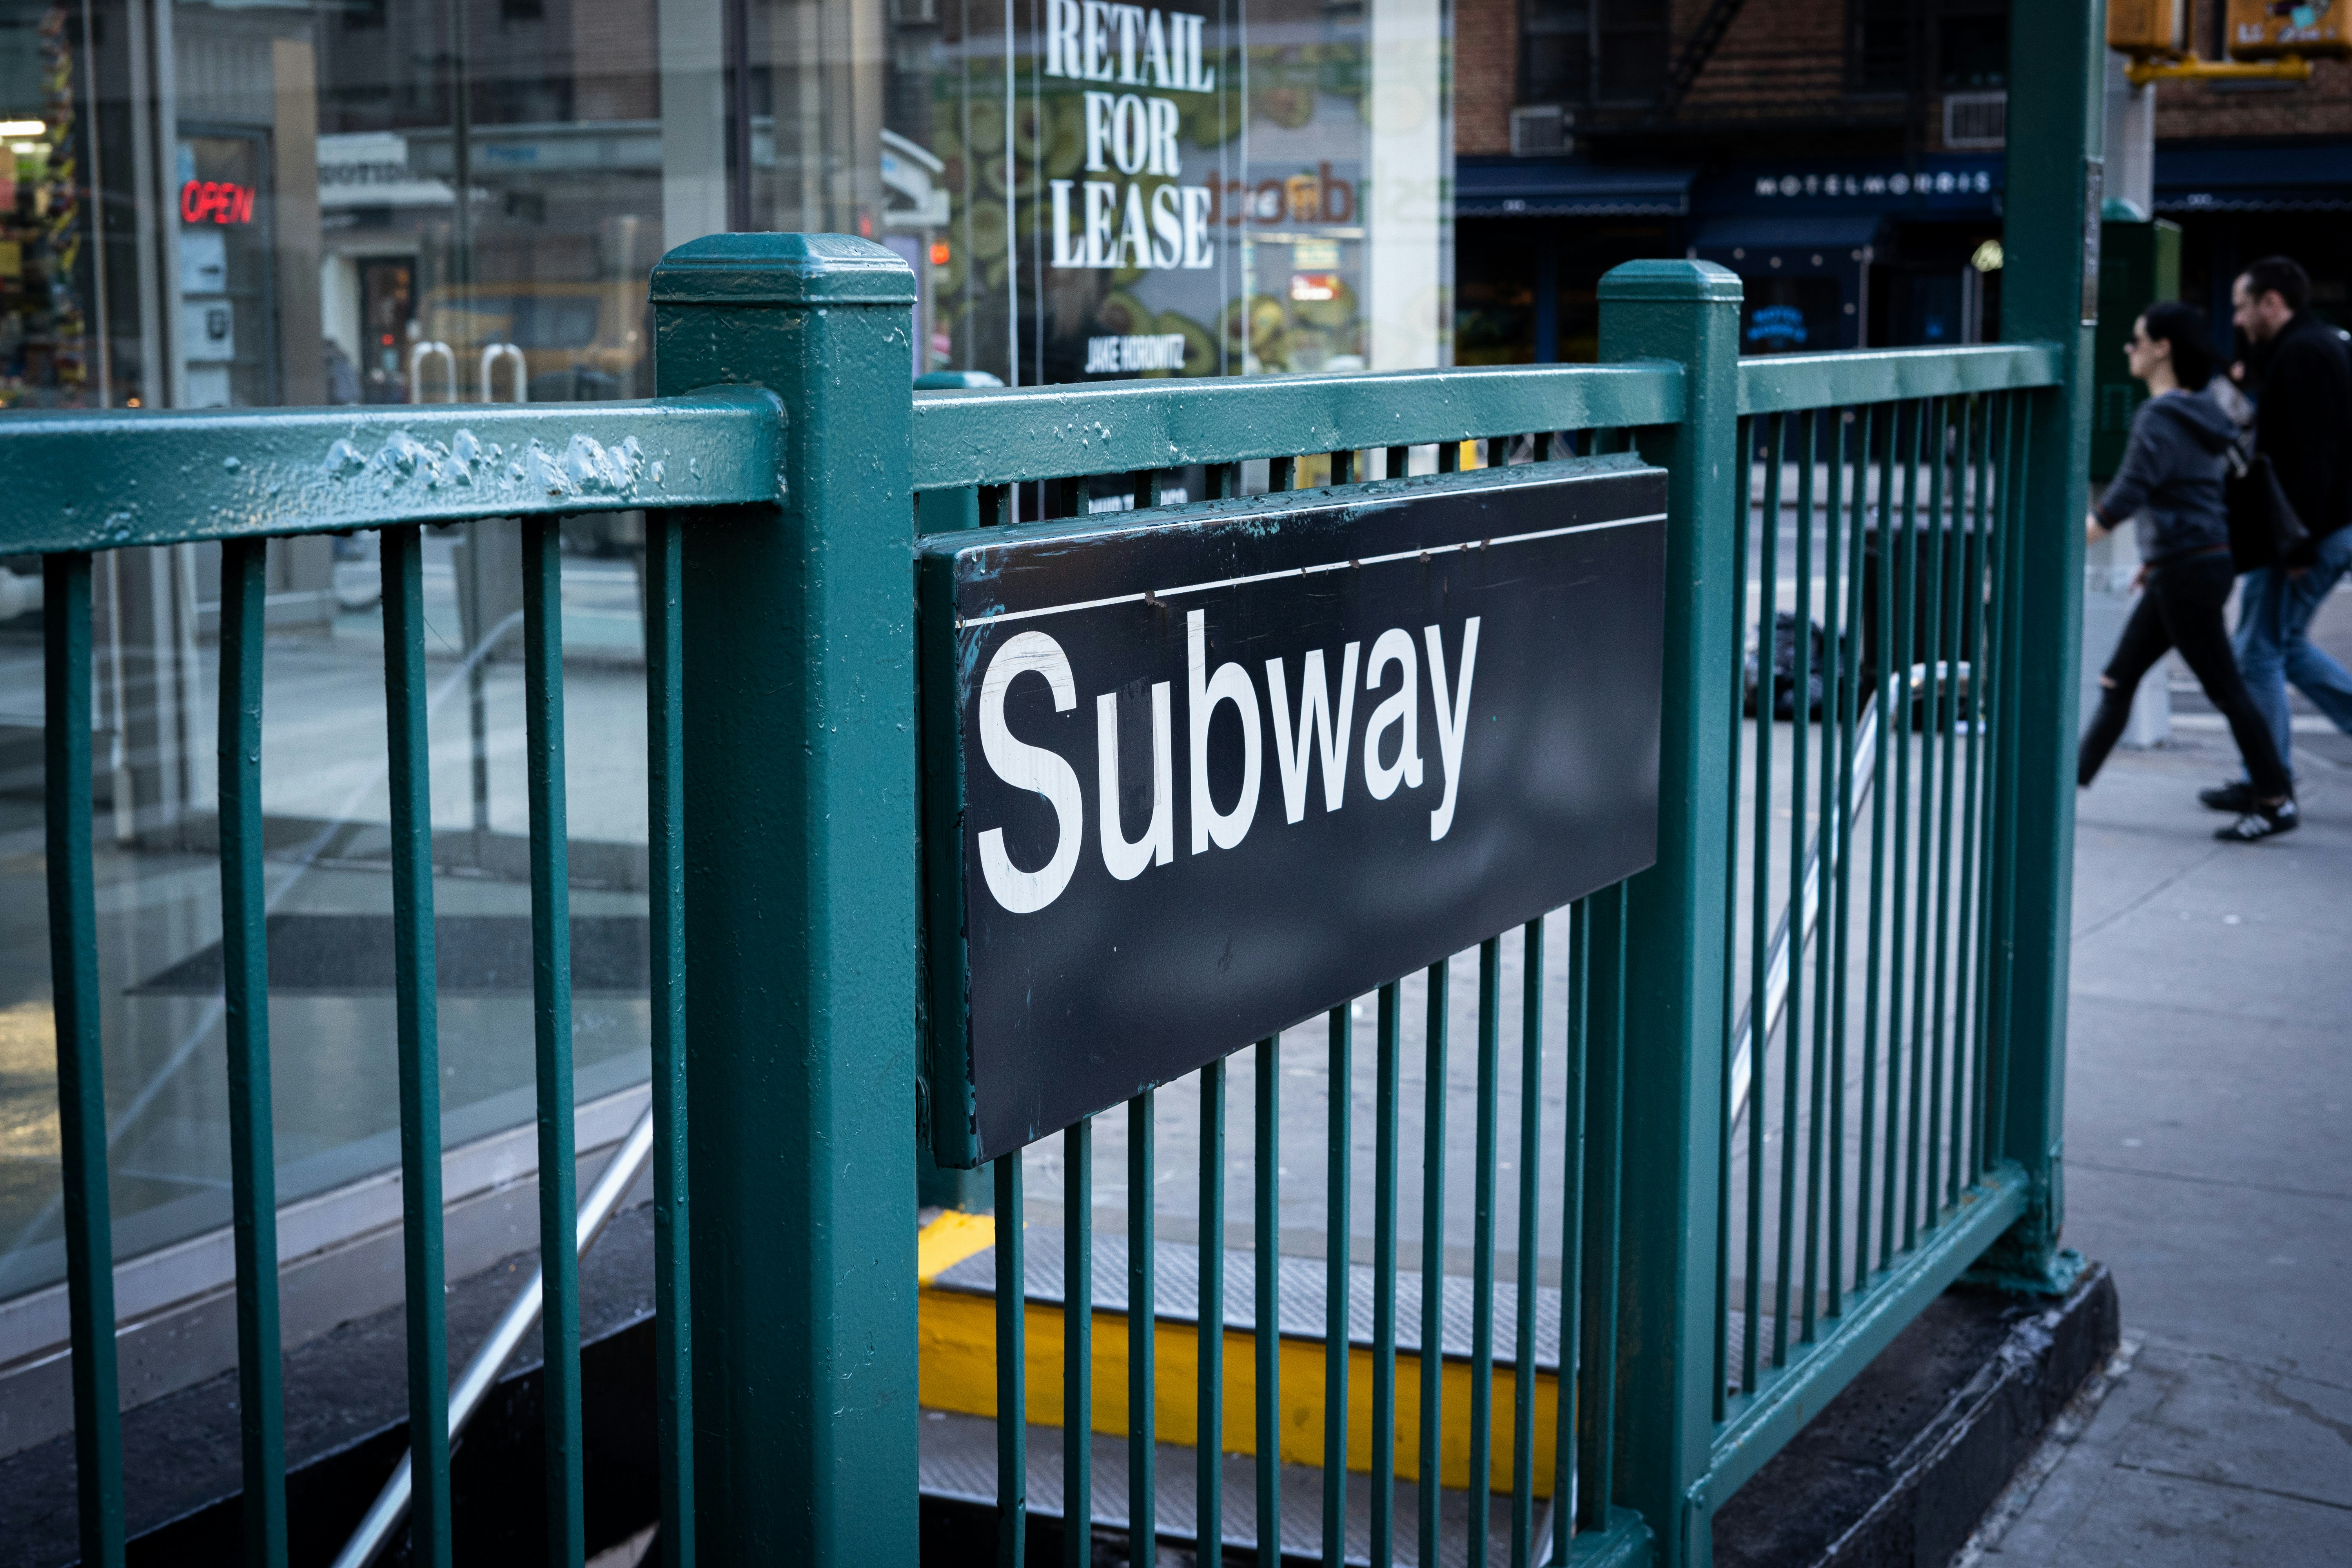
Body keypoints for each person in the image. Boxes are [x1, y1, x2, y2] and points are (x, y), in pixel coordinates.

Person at [2078, 302, 2297, 842]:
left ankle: (2275, 799)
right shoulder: (2202, 410)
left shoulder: (2160, 416)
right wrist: (2153, 561)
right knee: (2118, 680)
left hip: (2187, 573)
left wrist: (2065, 540)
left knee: (2226, 690)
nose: (2128, 351)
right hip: (2185, 566)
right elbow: (2188, 493)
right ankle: (2068, 789)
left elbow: (2126, 496)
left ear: (2162, 349)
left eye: (2136, 341)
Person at [2201, 256, 2352, 815]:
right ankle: (2266, 774)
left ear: (2272, 303)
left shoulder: (2304, 354)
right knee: (2282, 648)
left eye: (2243, 306)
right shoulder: (2312, 345)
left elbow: (2316, 456)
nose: (2237, 319)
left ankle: (2268, 779)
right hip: (2317, 531)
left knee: (2257, 654)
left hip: (2304, 535)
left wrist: (2299, 543)